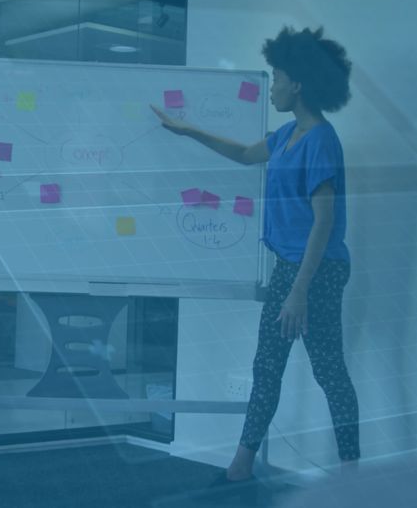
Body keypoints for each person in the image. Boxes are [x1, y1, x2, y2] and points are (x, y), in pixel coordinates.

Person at [151, 26, 360, 483]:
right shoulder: (288, 134)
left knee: (328, 372)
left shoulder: (322, 140)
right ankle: (240, 466)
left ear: (298, 84)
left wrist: (300, 291)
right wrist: (189, 131)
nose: (273, 87)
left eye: (277, 77)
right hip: (292, 268)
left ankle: (352, 476)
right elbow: (246, 154)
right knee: (268, 367)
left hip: (317, 271)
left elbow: (323, 222)